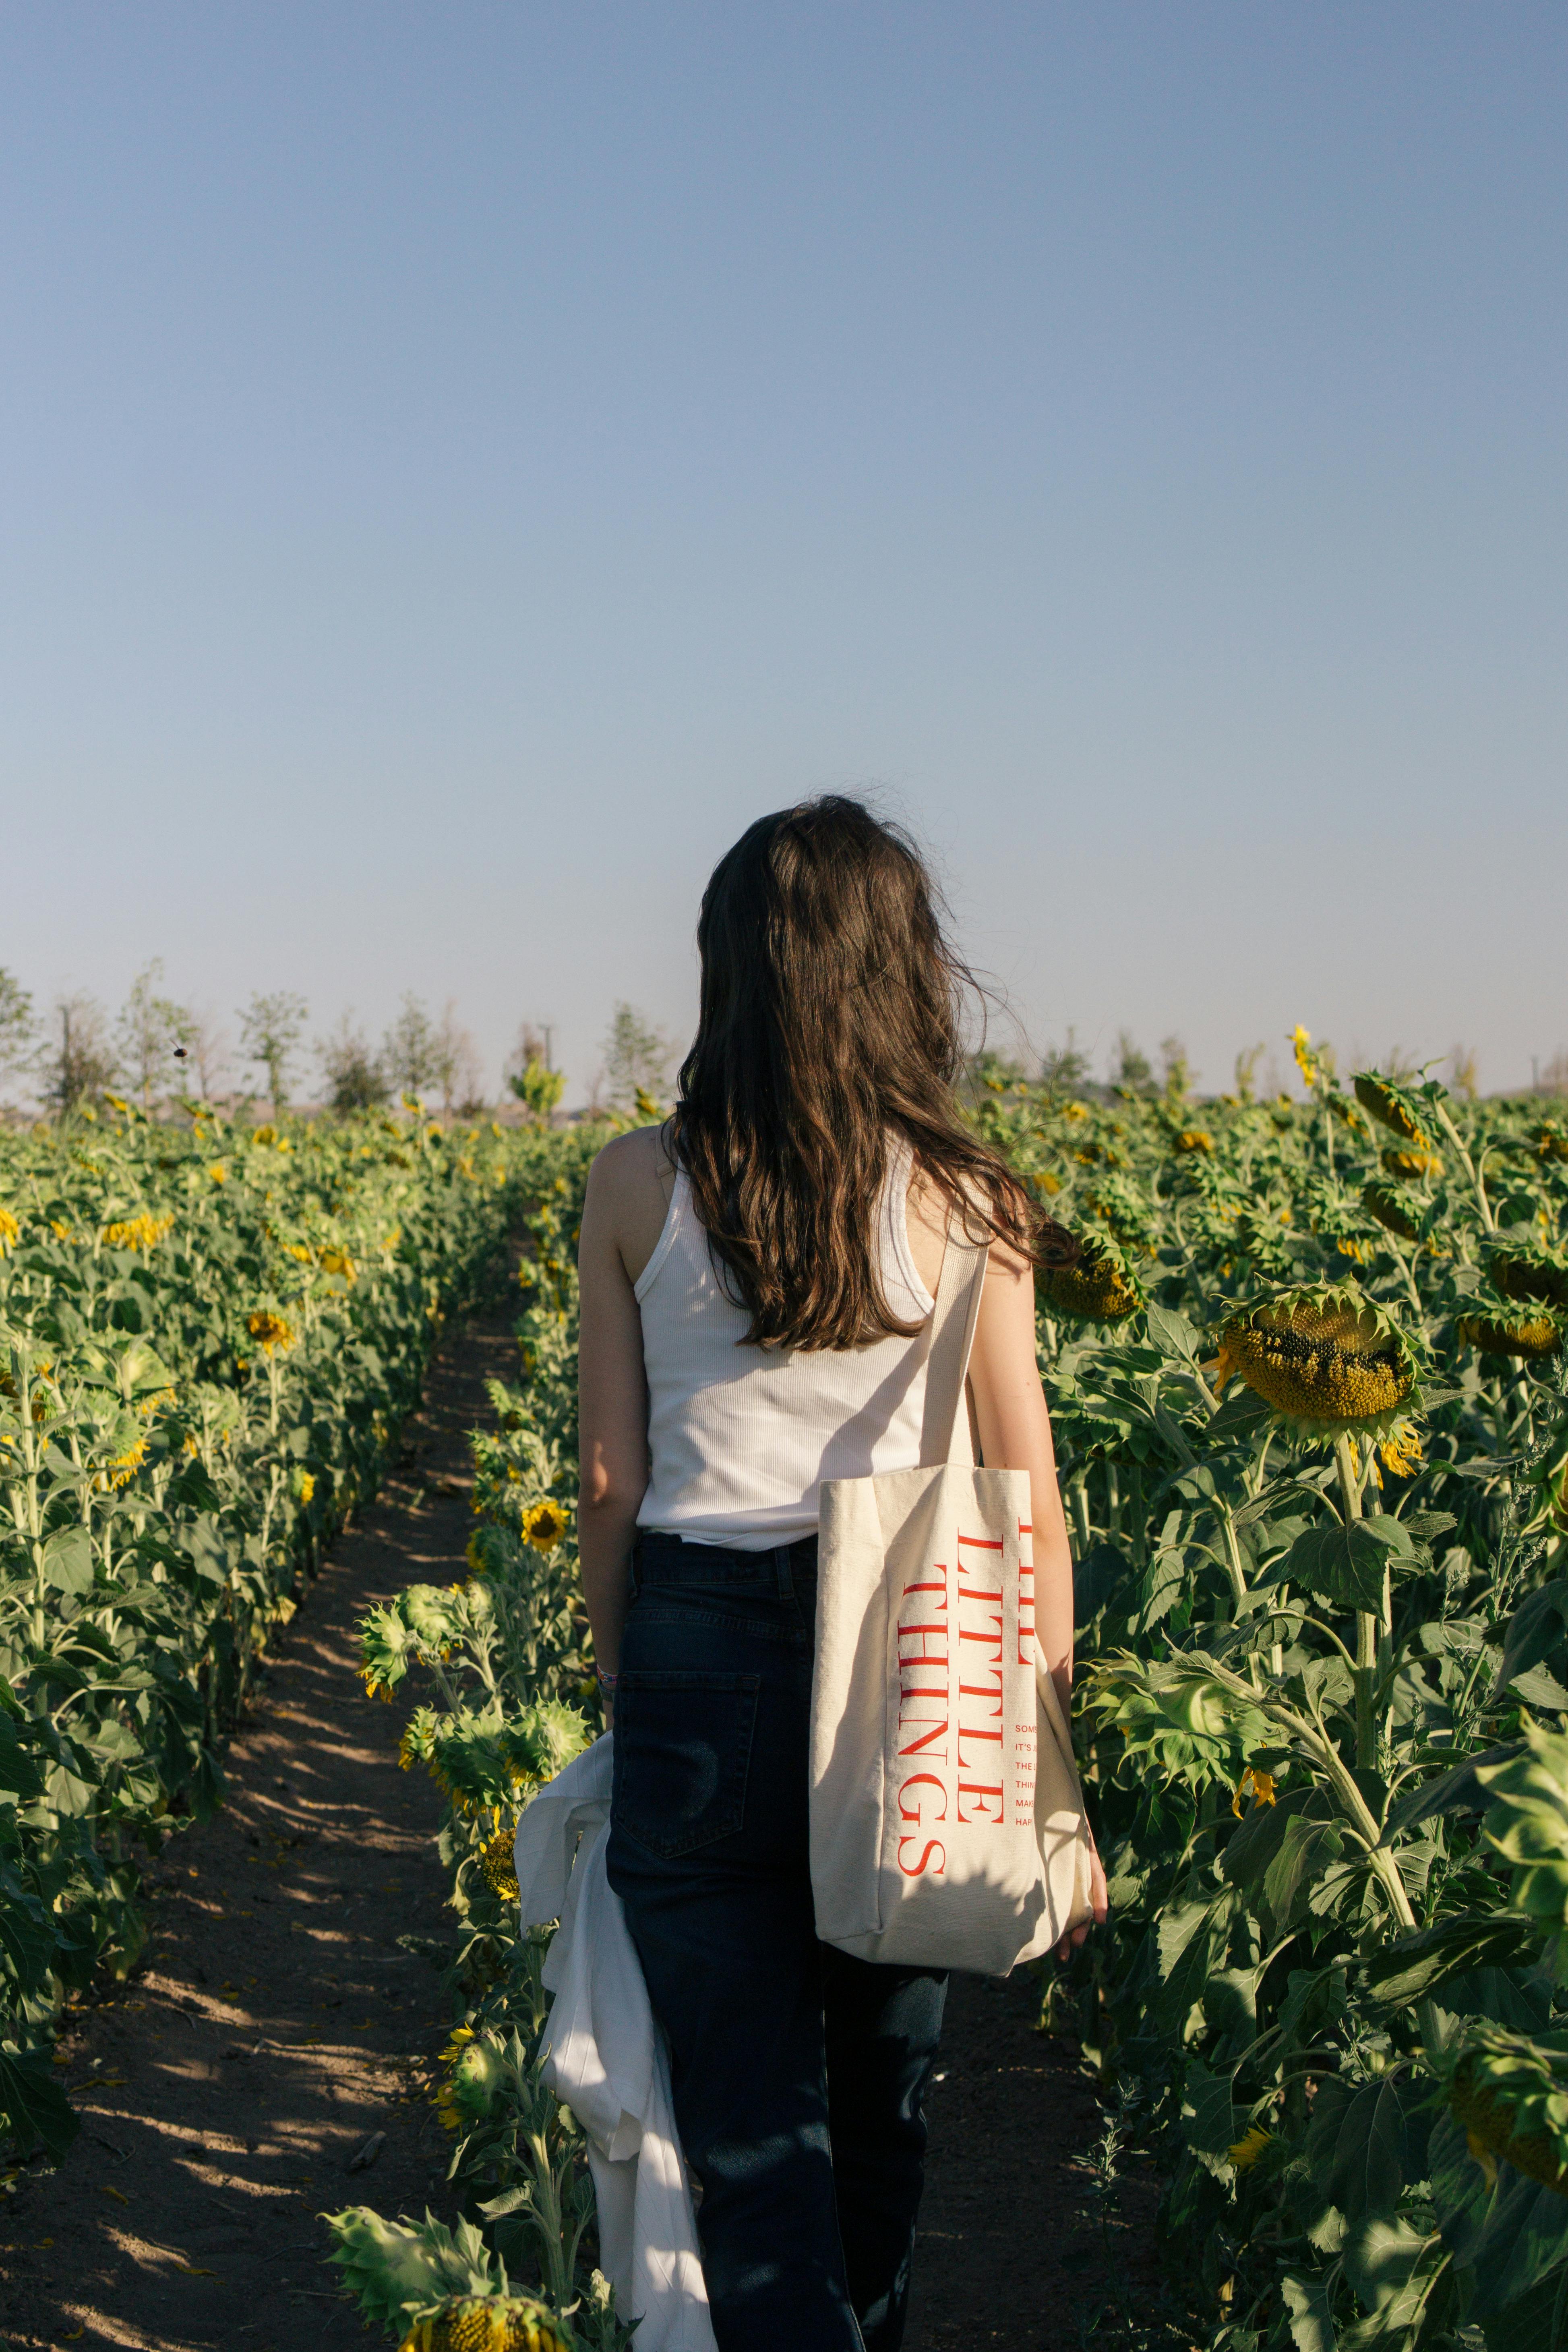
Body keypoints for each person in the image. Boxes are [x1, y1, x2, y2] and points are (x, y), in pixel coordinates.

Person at [575, 797, 1107, 2352]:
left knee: (745, 2139)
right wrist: (1048, 1785)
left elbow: (609, 1483)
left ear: (727, 970)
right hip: (918, 1655)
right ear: (905, 973)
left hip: (695, 1641)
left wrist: (632, 1682)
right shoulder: (973, 1202)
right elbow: (1029, 1509)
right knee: (876, 2109)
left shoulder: (634, 1183)